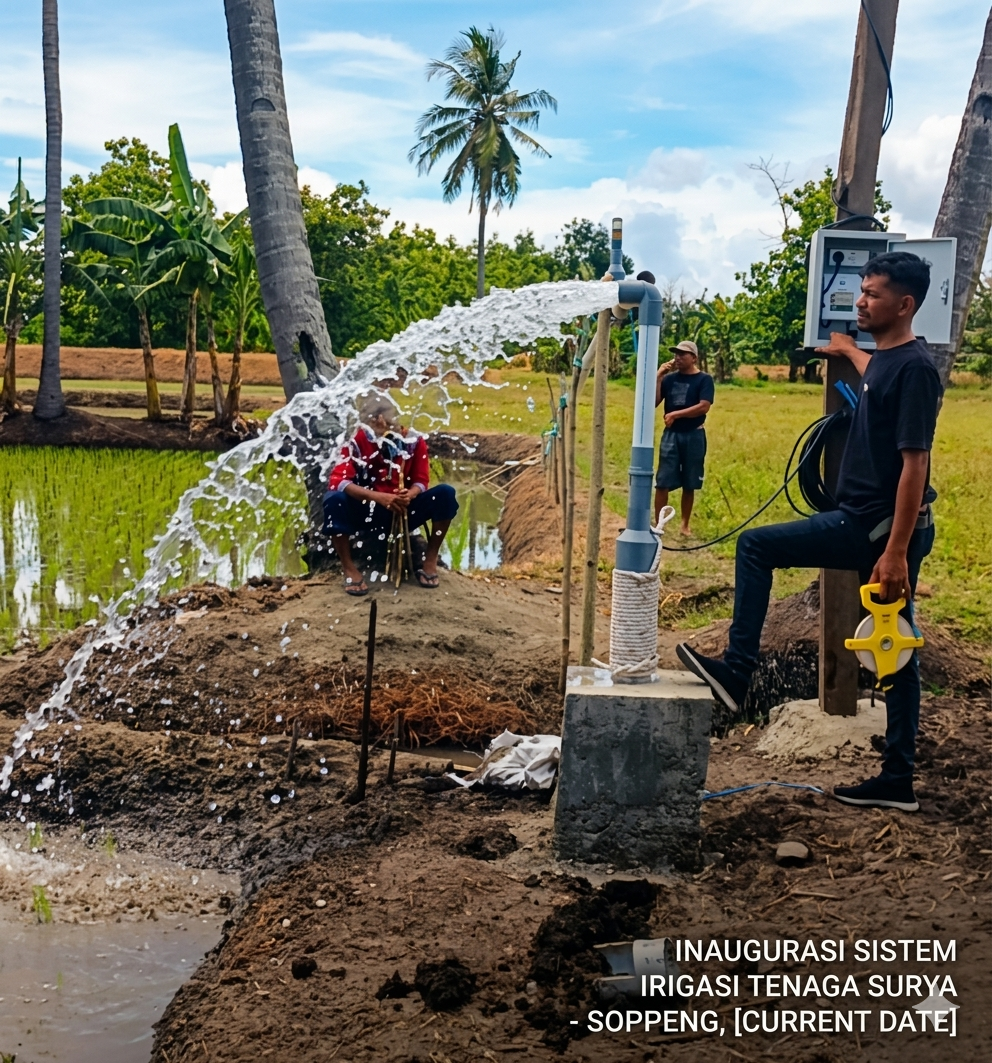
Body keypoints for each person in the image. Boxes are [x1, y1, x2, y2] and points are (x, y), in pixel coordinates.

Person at [676, 251, 941, 813]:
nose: (861, 300)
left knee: (756, 546)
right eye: (861, 290)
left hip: (875, 530)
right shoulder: (890, 360)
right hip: (871, 524)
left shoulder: (916, 368)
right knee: (894, 646)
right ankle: (897, 778)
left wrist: (893, 553)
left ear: (905, 304)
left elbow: (916, 464)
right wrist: (849, 351)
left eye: (871, 293)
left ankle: (737, 673)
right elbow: (878, 380)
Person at [322, 397, 459, 596]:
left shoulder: (413, 440)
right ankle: (349, 567)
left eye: (385, 422)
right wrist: (378, 497)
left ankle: (430, 560)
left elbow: (421, 480)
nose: (379, 429)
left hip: (402, 508)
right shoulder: (358, 440)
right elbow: (339, 481)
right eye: (372, 425)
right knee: (334, 499)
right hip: (366, 512)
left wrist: (409, 495)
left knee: (445, 494)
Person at [654, 340, 715, 534]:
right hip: (671, 435)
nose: (677, 357)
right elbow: (654, 402)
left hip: (694, 433)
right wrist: (658, 378)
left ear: (694, 358)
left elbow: (704, 406)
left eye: (683, 354)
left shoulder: (704, 380)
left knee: (690, 481)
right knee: (663, 480)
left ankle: (684, 524)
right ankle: (659, 524)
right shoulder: (669, 379)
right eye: (676, 354)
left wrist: (676, 414)